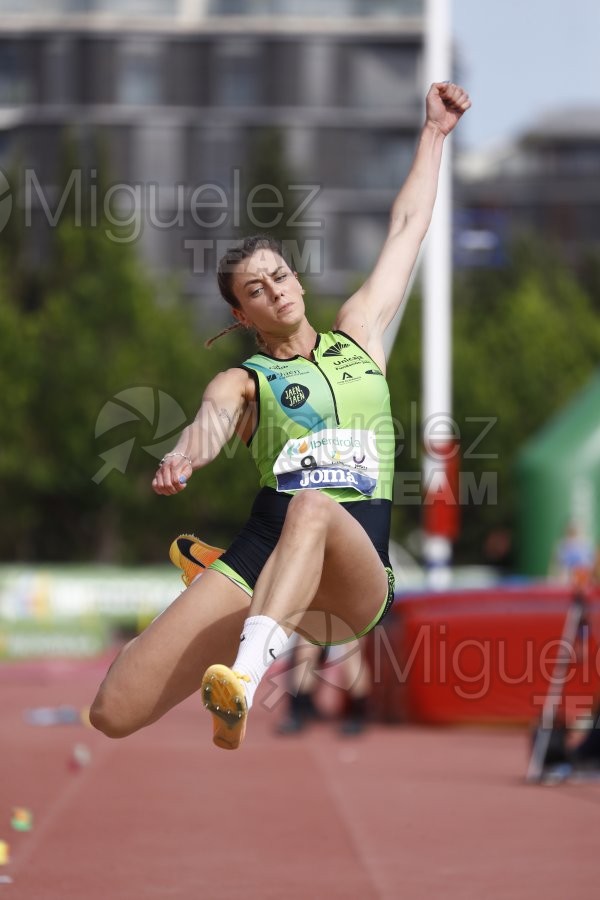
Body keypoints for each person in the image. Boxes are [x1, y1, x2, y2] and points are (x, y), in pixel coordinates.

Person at [90, 82, 471, 751]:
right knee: (113, 711)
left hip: (352, 577)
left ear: (297, 279)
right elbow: (211, 418)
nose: (275, 289)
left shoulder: (359, 336)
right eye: (255, 290)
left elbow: (408, 226)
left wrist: (434, 134)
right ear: (242, 317)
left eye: (280, 275)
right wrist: (186, 454)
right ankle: (246, 591)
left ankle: (241, 678)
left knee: (315, 505)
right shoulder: (247, 379)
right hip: (267, 550)